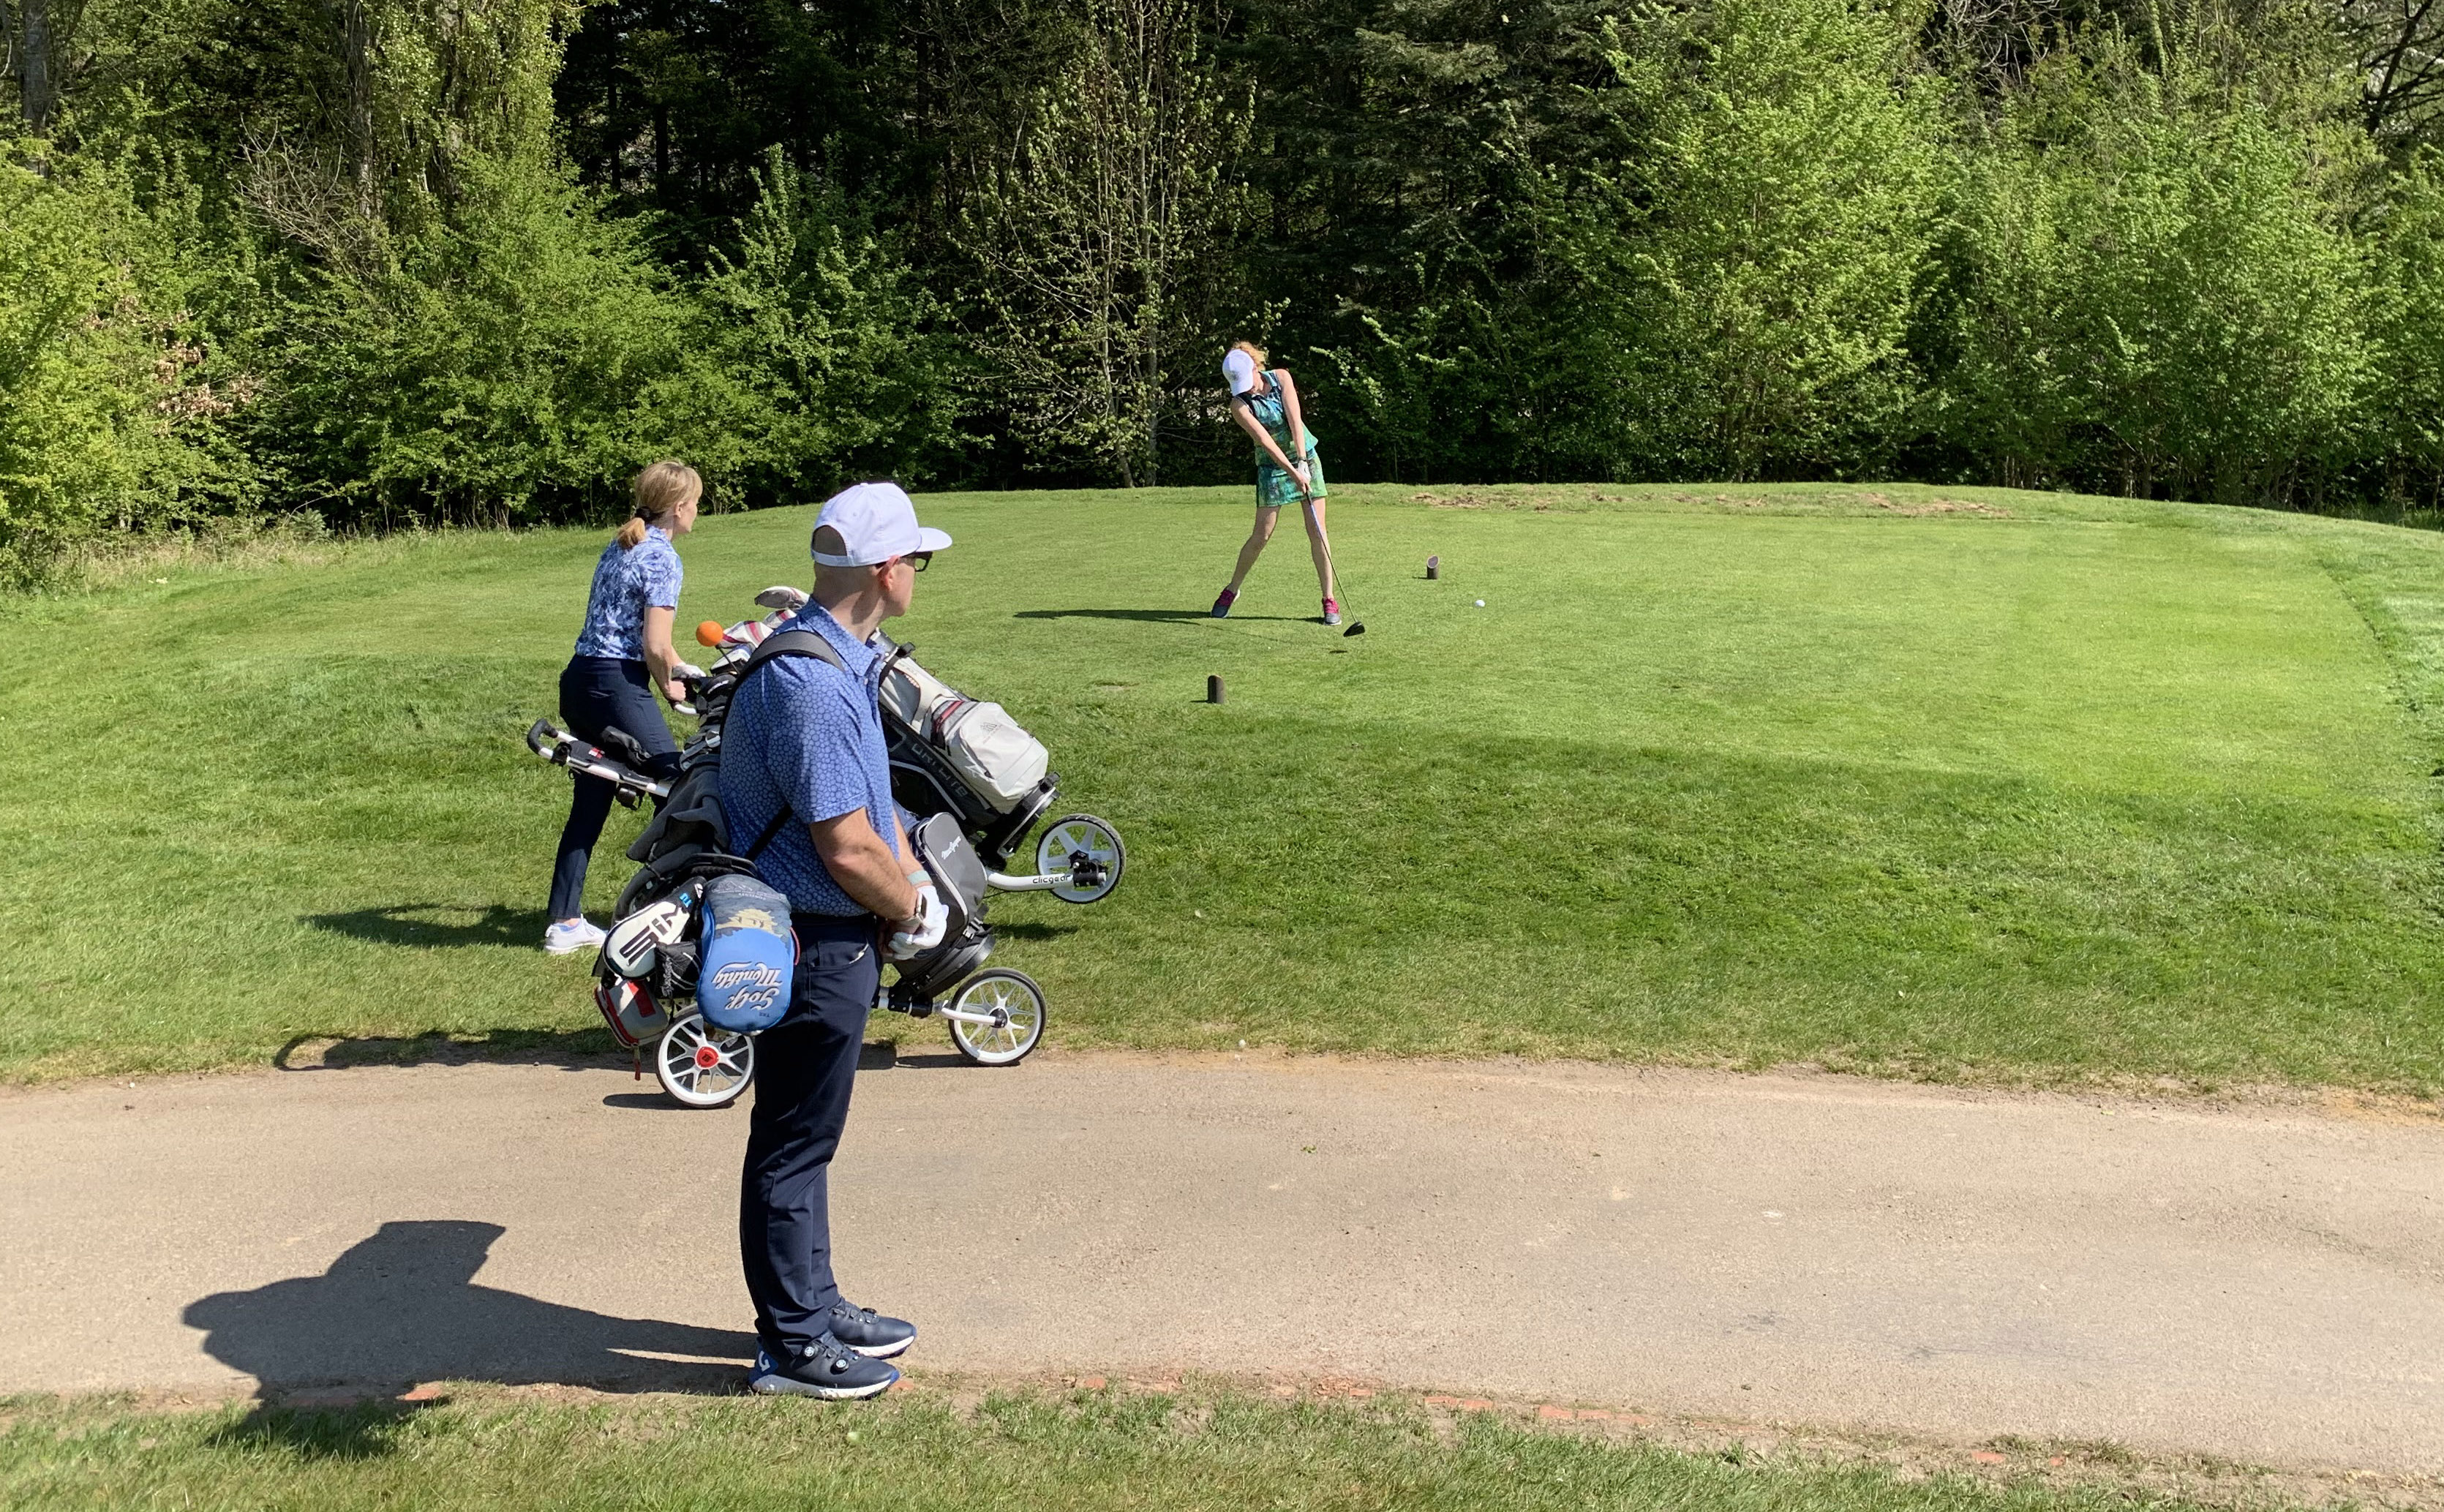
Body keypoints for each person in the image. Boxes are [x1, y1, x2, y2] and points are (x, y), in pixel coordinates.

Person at [715, 480, 953, 1399]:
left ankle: (814, 1303)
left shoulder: (838, 655)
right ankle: (790, 1345)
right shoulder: (811, 681)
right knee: (790, 1145)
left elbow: (873, 802)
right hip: (811, 939)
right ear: (887, 570)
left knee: (809, 1140)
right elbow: (845, 845)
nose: (919, 573)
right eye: (917, 560)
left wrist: (910, 883)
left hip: (836, 931)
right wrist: (910, 911)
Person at [544, 461, 701, 955]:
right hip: (616, 684)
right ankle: (684, 912)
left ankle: (564, 921)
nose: (698, 511)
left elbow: (647, 640)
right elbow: (655, 646)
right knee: (678, 790)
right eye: (696, 503)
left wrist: (680, 670)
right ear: (679, 507)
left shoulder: (623, 543)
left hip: (581, 680)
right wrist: (672, 688)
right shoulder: (664, 558)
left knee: (593, 794)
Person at [1211, 341, 1340, 625]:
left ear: (1256, 367)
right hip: (1273, 467)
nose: (1246, 389)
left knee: (1317, 531)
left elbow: (1295, 420)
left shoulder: (1281, 377)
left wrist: (1302, 461)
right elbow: (1265, 441)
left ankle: (1329, 599)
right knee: (1262, 535)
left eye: (1247, 381)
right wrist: (1292, 472)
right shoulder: (1239, 405)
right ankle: (1232, 589)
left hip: (1306, 457)